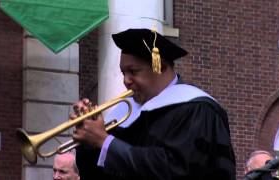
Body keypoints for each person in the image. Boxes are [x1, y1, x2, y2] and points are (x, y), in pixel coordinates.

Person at [71, 28, 236, 180]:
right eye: (123, 72)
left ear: (161, 67)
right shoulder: (124, 112)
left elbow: (176, 171)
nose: (126, 81)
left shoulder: (197, 110)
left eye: (133, 71)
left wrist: (105, 142)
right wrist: (89, 143)